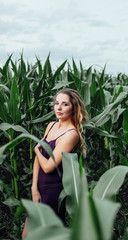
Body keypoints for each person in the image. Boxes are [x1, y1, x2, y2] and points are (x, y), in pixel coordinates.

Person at [22, 88, 88, 238]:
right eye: (56, 103)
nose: (58, 108)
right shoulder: (51, 125)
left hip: (53, 191)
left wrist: (37, 150)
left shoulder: (71, 135)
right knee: (27, 234)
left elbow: (48, 166)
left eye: (65, 104)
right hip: (39, 187)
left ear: (73, 108)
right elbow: (38, 162)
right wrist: (34, 188)